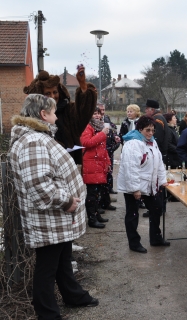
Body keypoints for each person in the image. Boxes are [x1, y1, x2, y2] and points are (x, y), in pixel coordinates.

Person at [8, 94, 98, 319]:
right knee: (47, 267)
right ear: (43, 114)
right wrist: (66, 201)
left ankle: (73, 295)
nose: (57, 117)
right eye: (54, 112)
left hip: (57, 218)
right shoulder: (33, 142)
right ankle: (47, 313)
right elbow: (39, 183)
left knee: (62, 260)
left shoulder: (37, 137)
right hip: (49, 217)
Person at [23, 66, 97, 165]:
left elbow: (83, 113)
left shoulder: (68, 110)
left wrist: (83, 85)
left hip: (70, 165)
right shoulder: (32, 116)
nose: (53, 96)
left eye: (55, 92)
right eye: (47, 93)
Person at [117, 115, 169, 253]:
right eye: (147, 130)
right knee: (133, 215)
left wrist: (163, 181)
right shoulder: (133, 144)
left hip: (149, 184)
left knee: (156, 208)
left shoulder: (152, 142)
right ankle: (134, 243)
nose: (150, 133)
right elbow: (131, 168)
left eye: (153, 130)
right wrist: (135, 189)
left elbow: (159, 164)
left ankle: (155, 238)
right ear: (140, 129)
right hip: (133, 186)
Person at [80, 107, 111, 229]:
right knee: (92, 193)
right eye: (94, 113)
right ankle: (92, 219)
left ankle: (96, 215)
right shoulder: (87, 127)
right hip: (91, 164)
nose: (97, 116)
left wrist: (107, 162)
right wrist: (102, 134)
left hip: (99, 164)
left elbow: (103, 149)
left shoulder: (98, 126)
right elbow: (86, 143)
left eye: (98, 113)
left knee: (97, 192)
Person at [97, 103, 119, 208]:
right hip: (99, 153)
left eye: (103, 109)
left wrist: (114, 136)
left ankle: (107, 199)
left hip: (108, 150)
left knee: (108, 174)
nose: (102, 112)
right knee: (101, 179)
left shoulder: (106, 118)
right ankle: (100, 202)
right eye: (100, 110)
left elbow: (113, 128)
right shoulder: (93, 123)